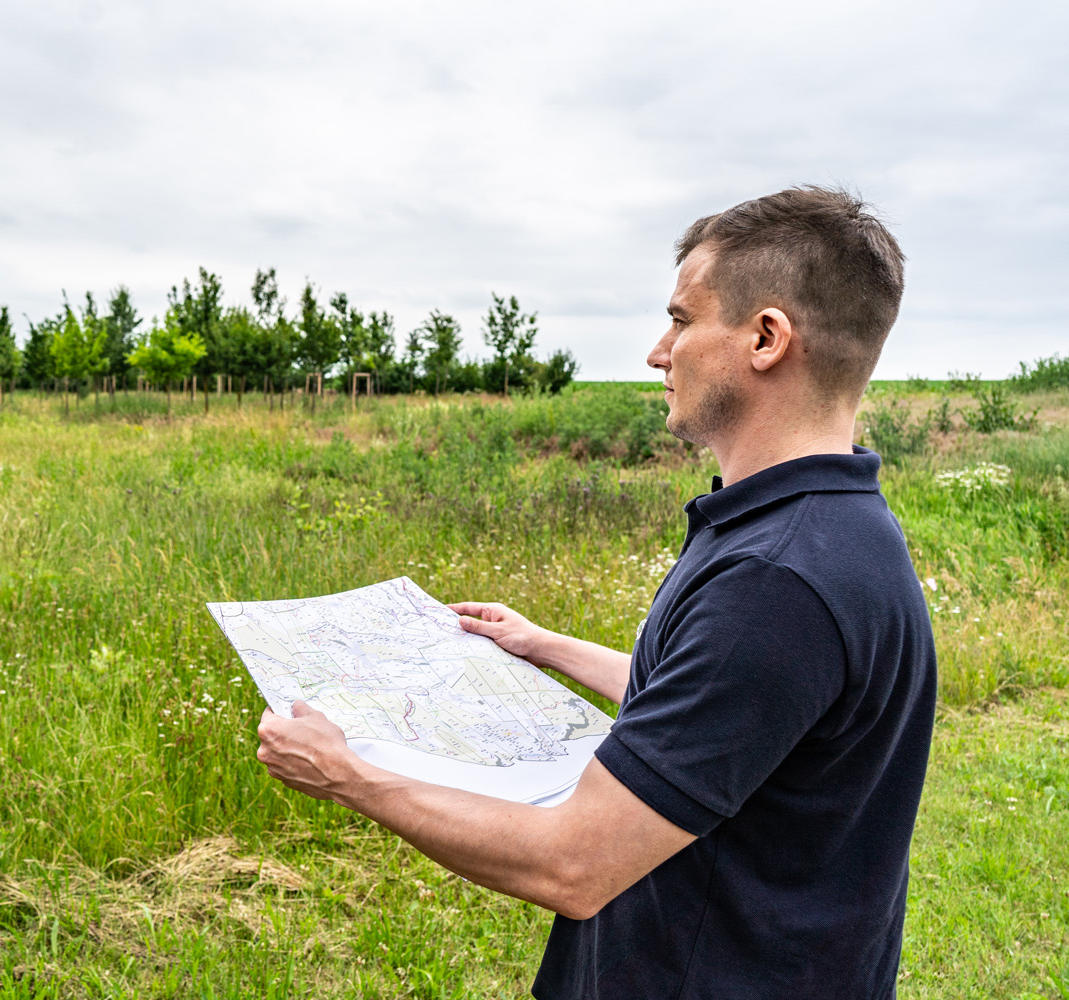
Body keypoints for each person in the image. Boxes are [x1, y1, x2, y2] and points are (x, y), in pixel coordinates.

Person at [255, 185, 936, 999]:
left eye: (682, 319)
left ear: (765, 337)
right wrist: (542, 644)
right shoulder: (830, 526)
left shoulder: (775, 582)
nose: (658, 351)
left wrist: (347, 775)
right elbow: (722, 712)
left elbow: (573, 864)